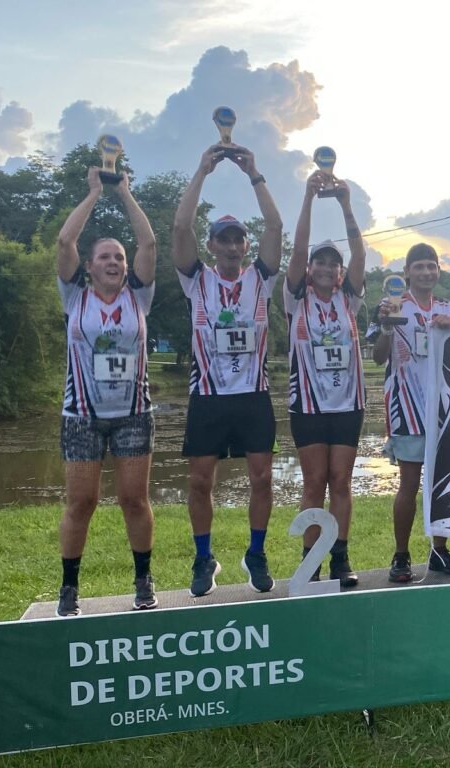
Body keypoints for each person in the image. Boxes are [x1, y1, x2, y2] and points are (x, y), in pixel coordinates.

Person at [172, 143, 283, 597]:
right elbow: (180, 227)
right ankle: (204, 558)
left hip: (253, 395)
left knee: (262, 478)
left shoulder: (261, 277)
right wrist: (202, 170)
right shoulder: (196, 278)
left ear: (246, 246)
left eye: (239, 239)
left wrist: (254, 173)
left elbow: (275, 225)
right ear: (213, 245)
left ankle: (255, 552)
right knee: (200, 481)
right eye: (225, 239)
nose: (233, 246)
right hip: (209, 397)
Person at [54, 167, 158, 616]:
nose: (113, 262)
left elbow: (149, 244)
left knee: (134, 500)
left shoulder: (140, 298)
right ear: (89, 266)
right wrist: (96, 193)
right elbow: (65, 242)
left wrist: (127, 194)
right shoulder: (73, 297)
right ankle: (69, 588)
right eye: (104, 257)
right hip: (81, 416)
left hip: (133, 415)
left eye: (119, 257)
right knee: (82, 502)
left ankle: (143, 581)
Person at [284, 170, 366, 587]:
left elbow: (359, 251)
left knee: (342, 482)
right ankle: (310, 562)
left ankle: (340, 558)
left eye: (334, 263)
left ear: (340, 272)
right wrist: (308, 199)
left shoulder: (349, 299)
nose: (327, 267)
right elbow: (298, 247)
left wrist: (346, 204)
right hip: (308, 406)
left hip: (349, 405)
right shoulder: (295, 299)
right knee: (314, 481)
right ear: (309, 267)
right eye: (321, 261)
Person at [368, 243, 450, 582]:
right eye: (419, 266)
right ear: (407, 272)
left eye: (431, 266)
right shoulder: (390, 305)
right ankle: (401, 555)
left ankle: (439, 551)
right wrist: (386, 326)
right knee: (408, 484)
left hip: (444, 409)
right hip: (406, 407)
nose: (426, 272)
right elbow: (378, 357)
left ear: (438, 270)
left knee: (442, 484)